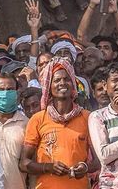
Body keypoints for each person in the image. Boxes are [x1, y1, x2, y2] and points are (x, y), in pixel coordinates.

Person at [19, 58, 97, 187]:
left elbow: (98, 161)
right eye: (56, 80)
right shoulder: (38, 119)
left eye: (67, 79)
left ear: (73, 83)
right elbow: (24, 163)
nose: (62, 83)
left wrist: (85, 167)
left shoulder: (87, 117)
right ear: (49, 86)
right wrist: (49, 167)